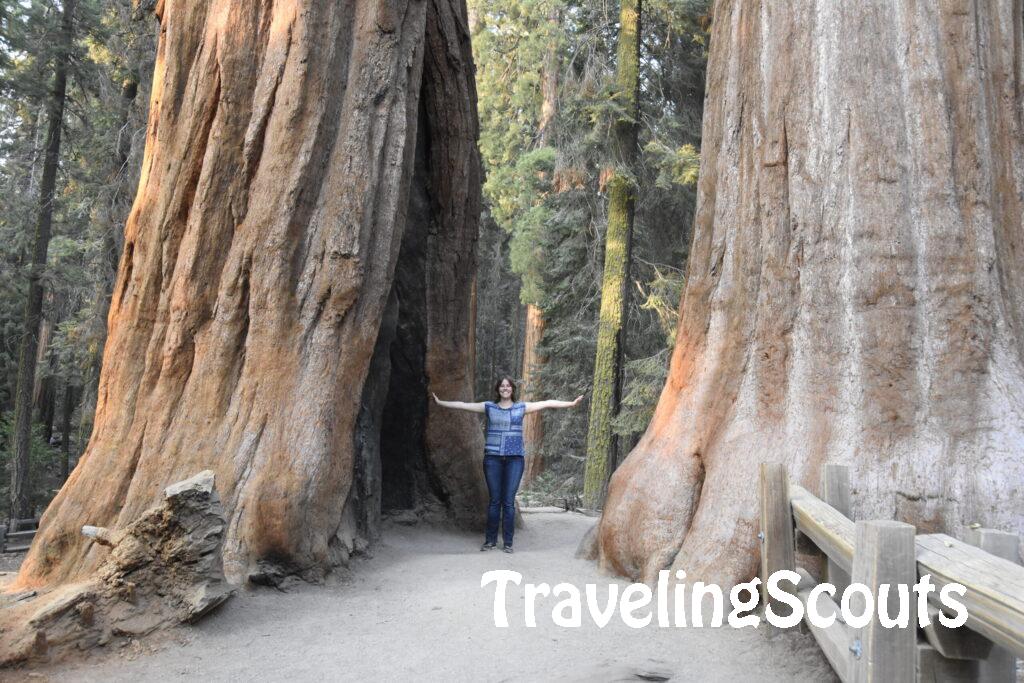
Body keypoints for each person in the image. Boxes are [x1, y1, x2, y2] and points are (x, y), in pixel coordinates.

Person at [432, 378, 584, 553]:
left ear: (512, 389)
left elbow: (547, 403)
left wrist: (571, 404)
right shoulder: (489, 406)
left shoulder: (521, 407)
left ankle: (508, 543)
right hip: (493, 459)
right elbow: (463, 405)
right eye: (502, 386)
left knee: (509, 502)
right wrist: (440, 402)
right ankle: (490, 541)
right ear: (498, 389)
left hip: (515, 460)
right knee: (495, 501)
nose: (505, 388)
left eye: (508, 386)